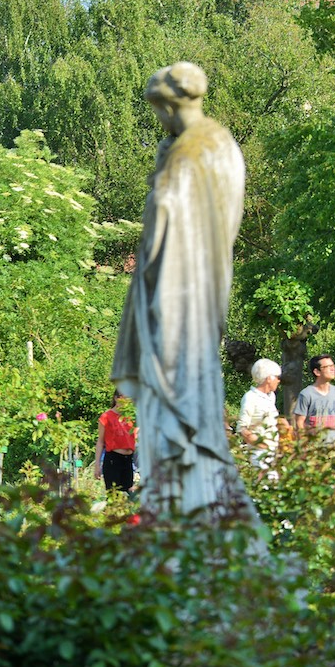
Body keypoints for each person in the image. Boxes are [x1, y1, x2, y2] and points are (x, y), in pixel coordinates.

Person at [110, 62, 258, 520]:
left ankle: (182, 486)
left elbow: (163, 231)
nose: (160, 120)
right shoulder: (222, 144)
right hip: (206, 286)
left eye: (160, 111)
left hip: (176, 293)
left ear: (171, 105)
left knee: (173, 381)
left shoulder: (188, 152)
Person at [238, 358, 283, 481]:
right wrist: (262, 445)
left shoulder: (271, 397)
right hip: (259, 454)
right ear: (269, 378)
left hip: (273, 453)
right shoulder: (250, 398)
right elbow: (242, 428)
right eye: (277, 377)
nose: (279, 380)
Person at [291, 354, 335, 443]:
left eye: (333, 366)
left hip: (333, 448)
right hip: (314, 449)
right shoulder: (306, 394)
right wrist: (305, 445)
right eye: (328, 367)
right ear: (317, 372)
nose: (332, 369)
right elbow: (299, 422)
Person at [93, 391, 137, 494]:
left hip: (128, 460)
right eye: (124, 398)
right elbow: (100, 442)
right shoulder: (107, 417)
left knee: (127, 494)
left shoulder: (131, 417)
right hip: (114, 459)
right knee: (113, 495)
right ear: (117, 398)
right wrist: (97, 465)